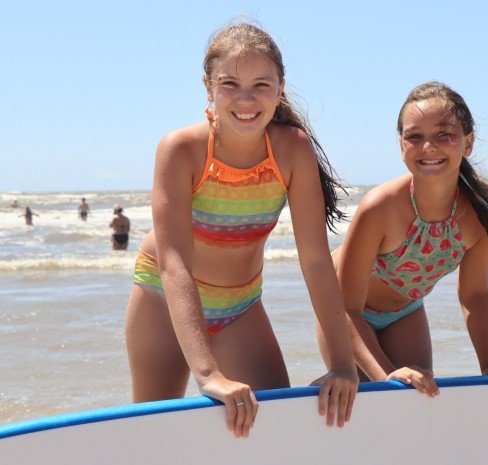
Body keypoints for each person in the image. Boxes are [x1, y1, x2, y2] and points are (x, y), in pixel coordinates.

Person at [124, 22, 358, 438]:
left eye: (261, 84)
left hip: (241, 305)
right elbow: (174, 264)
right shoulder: (181, 149)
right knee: (155, 434)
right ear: (208, 88)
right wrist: (209, 373)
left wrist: (343, 364)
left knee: (270, 432)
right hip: (163, 300)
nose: (246, 99)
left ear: (280, 88)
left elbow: (317, 261)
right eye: (230, 83)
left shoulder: (292, 149)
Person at [320, 82, 488, 398]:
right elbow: (346, 308)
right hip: (343, 310)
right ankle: (322, 387)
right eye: (414, 136)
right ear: (401, 145)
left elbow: (475, 295)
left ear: (467, 143)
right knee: (373, 394)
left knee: (419, 396)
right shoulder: (381, 207)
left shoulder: (478, 217)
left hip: (406, 312)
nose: (428, 146)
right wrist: (388, 375)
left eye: (444, 135)